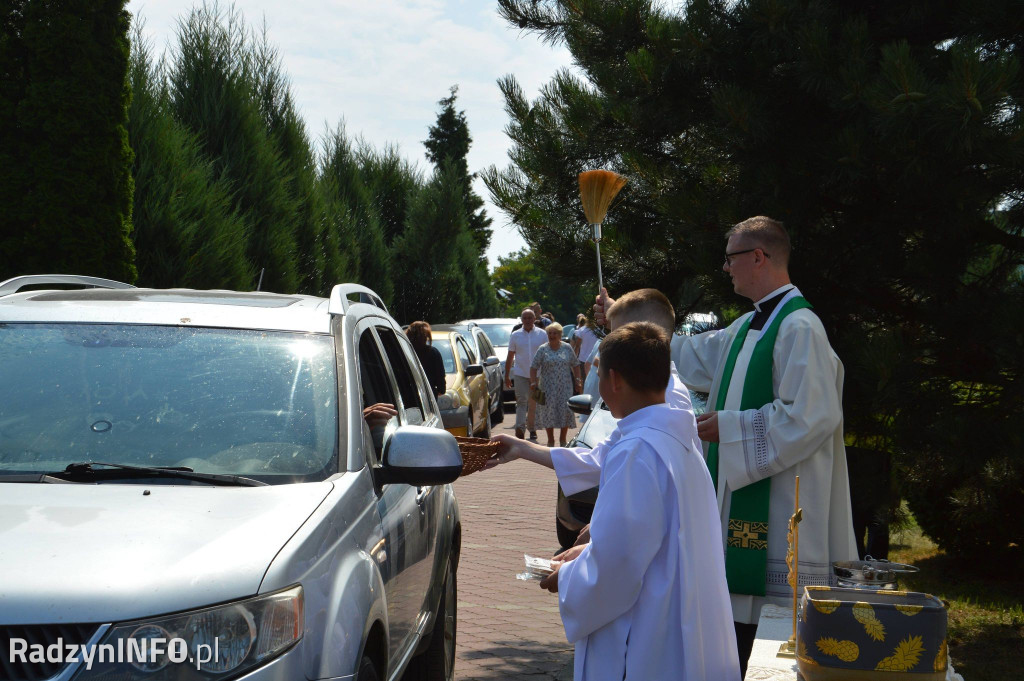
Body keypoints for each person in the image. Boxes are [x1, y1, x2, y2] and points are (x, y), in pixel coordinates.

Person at [498, 323, 740, 681]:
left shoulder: (637, 450)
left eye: (597, 374)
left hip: (648, 633)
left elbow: (617, 565)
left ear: (613, 379)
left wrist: (567, 577)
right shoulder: (676, 437)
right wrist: (588, 550)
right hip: (683, 616)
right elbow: (653, 535)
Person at [670, 216, 857, 670]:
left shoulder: (800, 327)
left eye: (731, 258)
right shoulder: (751, 325)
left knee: (772, 647)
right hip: (748, 500)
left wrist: (729, 428)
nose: (726, 268)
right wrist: (627, 324)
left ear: (758, 257)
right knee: (738, 640)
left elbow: (810, 416)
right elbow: (695, 355)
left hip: (782, 509)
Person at [530, 322, 581, 446]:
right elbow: (533, 367)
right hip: (547, 387)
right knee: (548, 412)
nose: (552, 335)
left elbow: (575, 364)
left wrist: (578, 381)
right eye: (549, 333)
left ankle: (563, 439)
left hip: (565, 386)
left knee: (565, 411)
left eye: (555, 333)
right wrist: (533, 383)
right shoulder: (543, 349)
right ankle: (551, 440)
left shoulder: (567, 347)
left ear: (560, 334)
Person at [505, 308, 548, 440]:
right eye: (525, 318)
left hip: (538, 375)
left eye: (530, 318)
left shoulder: (542, 334)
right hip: (520, 373)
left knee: (534, 403)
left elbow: (547, 354)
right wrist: (506, 375)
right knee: (521, 401)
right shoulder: (515, 335)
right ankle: (520, 428)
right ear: (521, 320)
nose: (528, 320)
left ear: (535, 319)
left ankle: (532, 428)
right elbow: (510, 355)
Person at [405, 321, 446, 397]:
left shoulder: (403, 352)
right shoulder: (433, 353)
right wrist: (437, 391)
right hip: (428, 398)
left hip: (407, 397)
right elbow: (441, 382)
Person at [572, 314, 599, 383]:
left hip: (583, 359)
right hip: (595, 359)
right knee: (594, 381)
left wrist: (574, 359)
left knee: (583, 382)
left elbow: (577, 346)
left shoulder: (582, 330)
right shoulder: (599, 331)